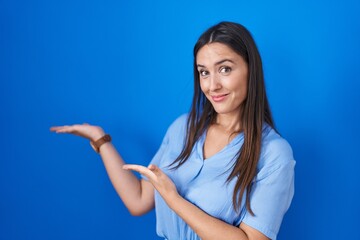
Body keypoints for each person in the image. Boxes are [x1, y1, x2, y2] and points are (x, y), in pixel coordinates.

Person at [50, 21, 295, 240]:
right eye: (204, 72)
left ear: (251, 69)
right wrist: (100, 140)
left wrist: (174, 199)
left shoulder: (274, 153)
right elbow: (138, 200)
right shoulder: (183, 128)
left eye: (225, 69)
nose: (212, 85)